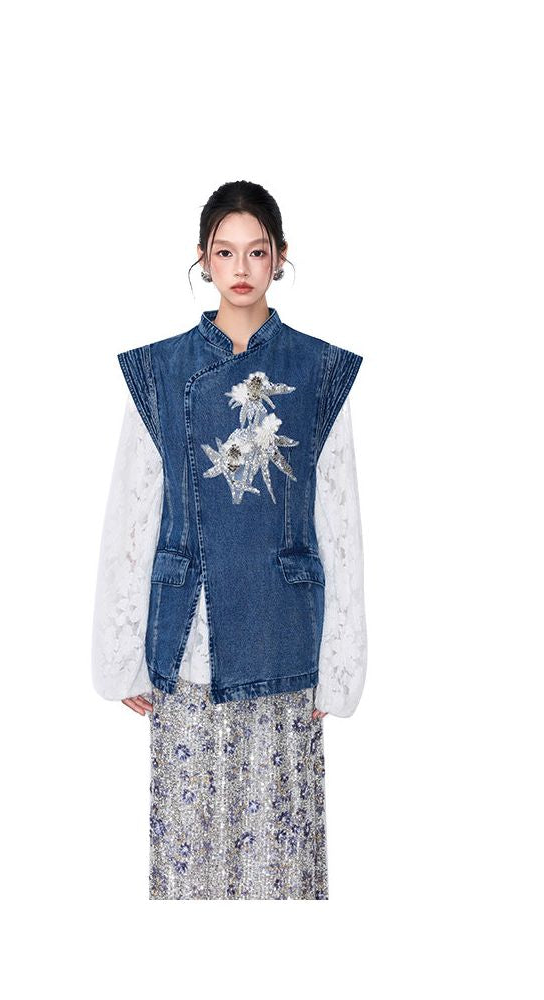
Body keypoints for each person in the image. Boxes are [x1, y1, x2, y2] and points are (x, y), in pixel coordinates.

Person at [92, 180, 366, 899]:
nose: (240, 268)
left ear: (280, 256)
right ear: (203, 258)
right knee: (191, 862)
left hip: (284, 638)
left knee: (280, 861)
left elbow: (338, 521)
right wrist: (123, 653)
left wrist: (340, 663)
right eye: (224, 252)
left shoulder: (318, 369)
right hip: (189, 639)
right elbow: (133, 516)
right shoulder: (159, 370)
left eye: (256, 251)